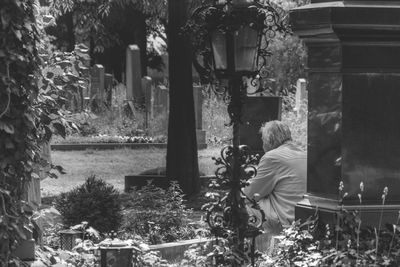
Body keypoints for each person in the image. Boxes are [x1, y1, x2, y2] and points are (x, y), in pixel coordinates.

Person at [243, 120, 307, 234]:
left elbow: (250, 194)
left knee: (240, 202)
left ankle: (254, 244)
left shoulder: (272, 157)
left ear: (269, 141)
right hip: (306, 218)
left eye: (263, 141)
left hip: (286, 222)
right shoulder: (304, 153)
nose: (262, 146)